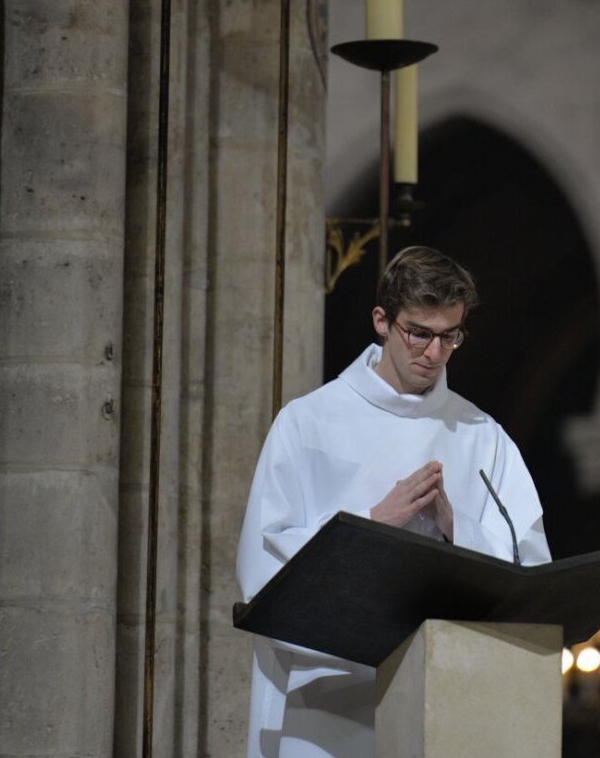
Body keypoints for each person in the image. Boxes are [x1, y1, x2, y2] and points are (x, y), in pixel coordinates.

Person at [236, 245, 553, 757]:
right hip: (322, 703)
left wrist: (455, 526)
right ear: (382, 321)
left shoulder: (482, 436)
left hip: (443, 700)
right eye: (420, 334)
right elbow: (260, 572)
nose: (434, 354)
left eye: (451, 336)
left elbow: (531, 570)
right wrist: (369, 524)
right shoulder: (308, 422)